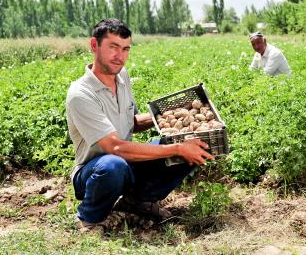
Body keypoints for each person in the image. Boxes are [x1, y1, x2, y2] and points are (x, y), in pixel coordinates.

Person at [66, 18, 214, 232]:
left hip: (126, 162)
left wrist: (170, 117)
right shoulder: (81, 94)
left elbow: (131, 122)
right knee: (113, 165)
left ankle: (136, 202)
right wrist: (178, 147)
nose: (120, 57)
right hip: (94, 172)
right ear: (94, 46)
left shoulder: (122, 77)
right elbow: (114, 147)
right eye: (113, 47)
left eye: (126, 49)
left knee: (192, 143)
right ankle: (89, 217)